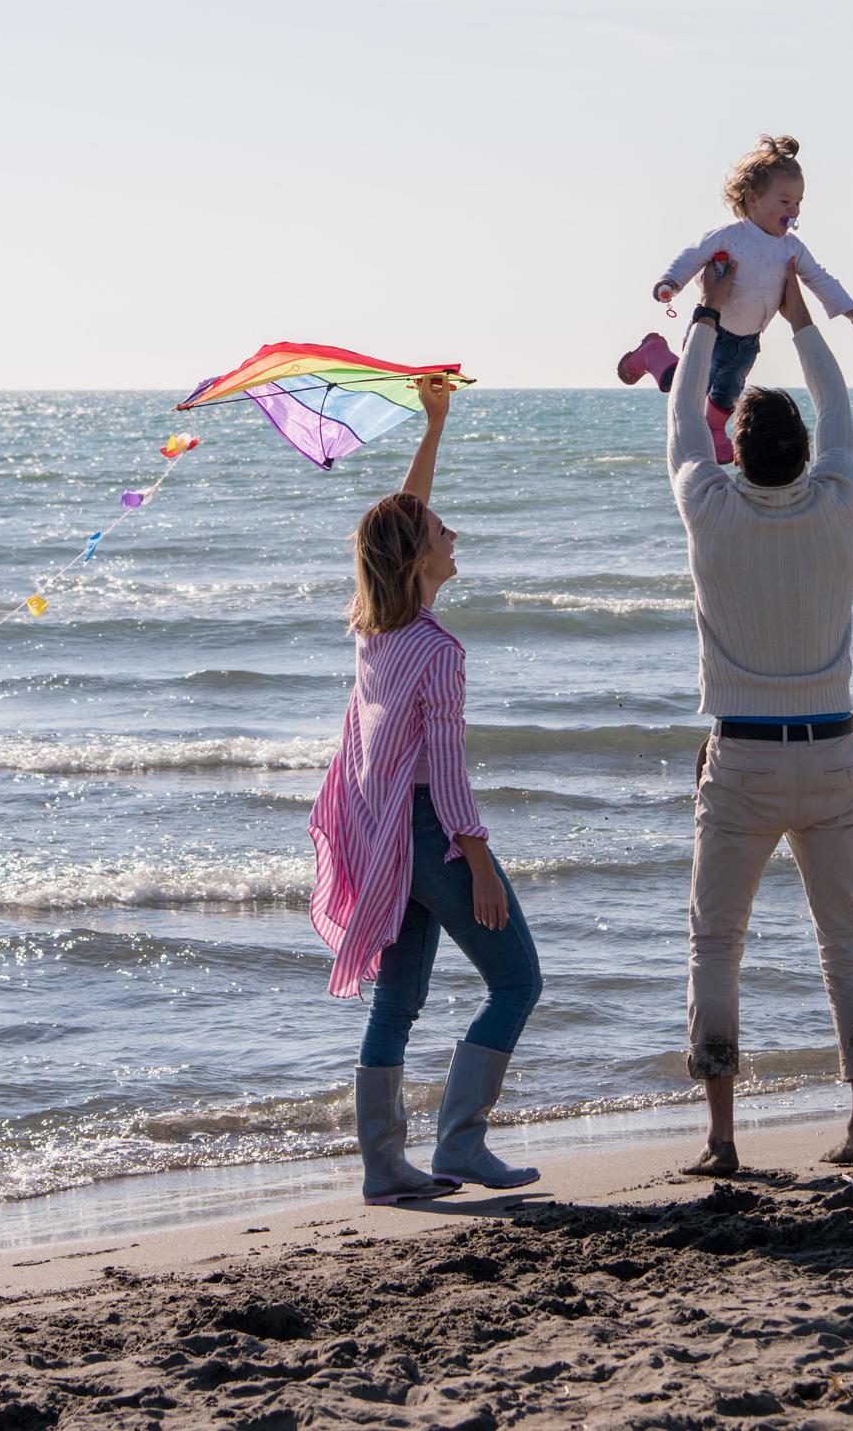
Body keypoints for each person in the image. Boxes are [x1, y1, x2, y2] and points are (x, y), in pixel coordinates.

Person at [665, 255, 853, 1176]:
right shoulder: (839, 502)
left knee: (717, 945)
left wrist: (708, 320)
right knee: (847, 944)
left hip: (745, 763)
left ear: (737, 453)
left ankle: (722, 1139)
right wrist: (799, 320)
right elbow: (838, 410)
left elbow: (682, 420)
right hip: (829, 756)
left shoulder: (709, 507)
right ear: (804, 455)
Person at [305, 374, 544, 1203]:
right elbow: (446, 777)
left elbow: (397, 523)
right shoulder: (436, 650)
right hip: (428, 833)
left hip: (381, 837)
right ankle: (460, 1144)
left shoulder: (376, 630)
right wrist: (475, 863)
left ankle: (383, 1167)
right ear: (420, 559)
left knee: (398, 1004)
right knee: (517, 982)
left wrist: (432, 426)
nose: (454, 534)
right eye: (444, 531)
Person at [617, 135, 853, 463]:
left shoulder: (791, 248)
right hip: (713, 330)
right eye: (785, 202)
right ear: (753, 199)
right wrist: (671, 282)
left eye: (798, 202)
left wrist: (850, 311)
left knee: (728, 392)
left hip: (749, 339)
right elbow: (694, 255)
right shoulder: (730, 235)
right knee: (689, 389)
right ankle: (654, 355)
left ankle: (712, 428)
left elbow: (818, 277)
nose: (793, 210)